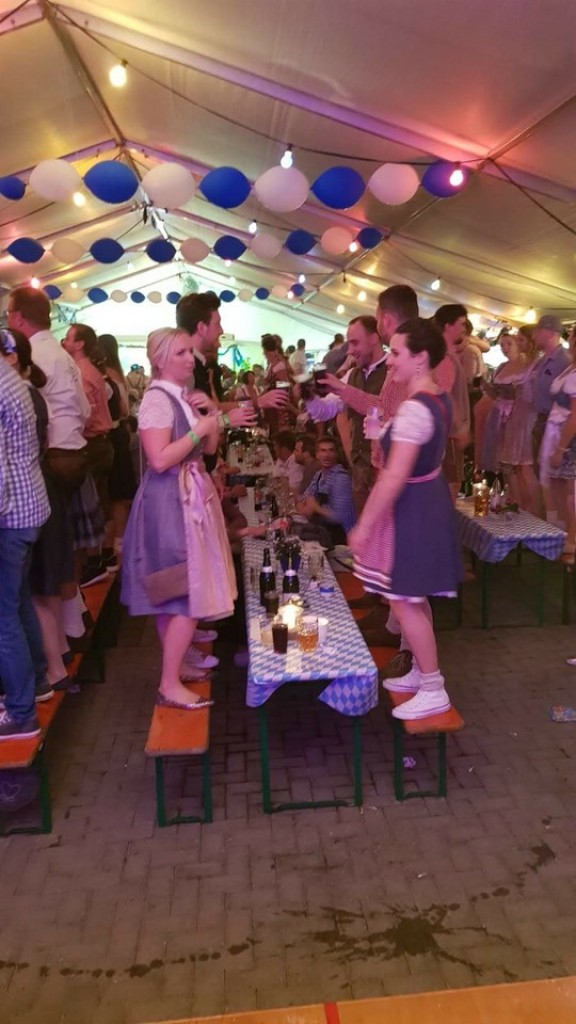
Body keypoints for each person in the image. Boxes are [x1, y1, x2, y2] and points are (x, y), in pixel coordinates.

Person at [121, 328, 251, 710]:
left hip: (190, 494)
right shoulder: (156, 400)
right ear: (160, 359)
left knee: (176, 590)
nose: (189, 359)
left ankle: (176, 667)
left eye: (189, 352)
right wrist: (200, 429)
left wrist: (210, 416)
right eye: (180, 353)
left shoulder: (184, 395)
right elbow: (159, 459)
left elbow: (208, 449)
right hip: (170, 501)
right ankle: (168, 683)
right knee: (185, 589)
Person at [349, 318, 461, 720]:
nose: (390, 360)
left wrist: (364, 525)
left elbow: (395, 475)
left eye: (396, 353)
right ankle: (420, 672)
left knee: (404, 599)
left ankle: (433, 686)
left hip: (414, 506)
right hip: (425, 501)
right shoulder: (436, 398)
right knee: (413, 597)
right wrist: (384, 433)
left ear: (421, 358)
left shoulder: (416, 407)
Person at [7, 287, 90, 650]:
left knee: (46, 560)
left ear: (17, 317)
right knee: (61, 546)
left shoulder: (31, 355)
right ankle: (74, 622)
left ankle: (60, 641)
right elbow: (85, 410)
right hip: (75, 452)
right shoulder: (61, 353)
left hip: (51, 457)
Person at [0, 358, 50, 739]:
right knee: (17, 603)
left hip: (10, 515)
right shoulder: (10, 376)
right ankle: (37, 683)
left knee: (4, 618)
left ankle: (21, 713)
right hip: (29, 506)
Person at [304, 315, 387, 513]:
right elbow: (325, 410)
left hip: (386, 470)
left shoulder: (394, 372)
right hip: (359, 469)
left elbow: (386, 410)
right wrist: (308, 395)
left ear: (374, 338)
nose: (349, 350)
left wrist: (341, 388)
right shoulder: (353, 374)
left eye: (355, 343)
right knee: (363, 524)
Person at [98, 333, 137, 569]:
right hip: (122, 433)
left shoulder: (104, 377)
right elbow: (125, 410)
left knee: (113, 497)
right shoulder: (119, 375)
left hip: (112, 435)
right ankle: (120, 546)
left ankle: (113, 550)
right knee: (121, 496)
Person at [538, 325, 576, 556]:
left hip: (569, 436)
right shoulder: (571, 367)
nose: (569, 339)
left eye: (571, 336)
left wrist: (561, 447)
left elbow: (575, 416)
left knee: (570, 489)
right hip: (559, 430)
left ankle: (572, 536)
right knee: (560, 486)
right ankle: (565, 533)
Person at [432, 304, 471, 498]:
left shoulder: (446, 353)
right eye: (461, 323)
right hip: (450, 434)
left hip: (450, 432)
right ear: (448, 325)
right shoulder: (445, 357)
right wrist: (460, 428)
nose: (464, 327)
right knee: (451, 485)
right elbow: (445, 394)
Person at [296, 437, 356, 544]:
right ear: (317, 455)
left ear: (336, 454)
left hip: (342, 539)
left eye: (331, 450)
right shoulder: (319, 475)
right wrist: (304, 509)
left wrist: (316, 508)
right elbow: (303, 498)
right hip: (324, 532)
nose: (327, 455)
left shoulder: (340, 478)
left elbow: (341, 517)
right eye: (323, 451)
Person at [532, 315, 570, 476]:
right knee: (540, 473)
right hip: (540, 420)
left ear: (550, 333)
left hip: (555, 426)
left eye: (539, 330)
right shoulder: (542, 360)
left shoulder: (564, 361)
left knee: (554, 477)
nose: (534, 334)